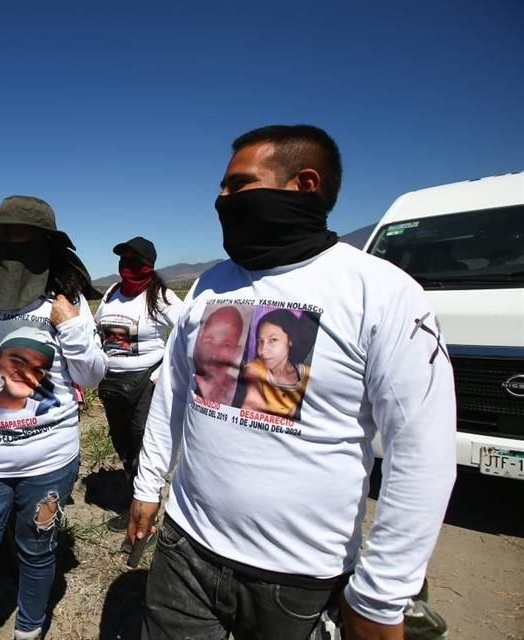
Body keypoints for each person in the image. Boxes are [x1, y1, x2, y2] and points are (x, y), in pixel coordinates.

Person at [128, 125, 456, 640]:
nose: (222, 199)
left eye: (238, 185)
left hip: (300, 576)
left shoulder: (382, 292)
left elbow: (423, 453)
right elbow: (174, 389)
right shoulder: (212, 282)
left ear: (304, 185)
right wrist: (149, 484)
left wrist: (380, 595)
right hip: (184, 549)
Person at [0, 195, 108, 640]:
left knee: (38, 548)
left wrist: (68, 324)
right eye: (1, 233)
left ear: (42, 241)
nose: (7, 241)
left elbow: (93, 373)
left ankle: (29, 629)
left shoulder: (65, 298)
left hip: (50, 457)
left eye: (19, 233)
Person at [93, 236, 182, 533]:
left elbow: (186, 331)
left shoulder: (160, 296)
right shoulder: (111, 293)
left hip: (146, 381)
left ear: (148, 264)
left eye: (134, 260)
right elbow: (96, 330)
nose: (127, 265)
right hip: (111, 382)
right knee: (122, 440)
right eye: (123, 258)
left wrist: (163, 371)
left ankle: (146, 508)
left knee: (143, 440)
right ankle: (135, 497)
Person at [240, 308, 313, 418]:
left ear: (290, 340)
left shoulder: (309, 375)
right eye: (260, 341)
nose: (262, 351)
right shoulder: (255, 369)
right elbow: (252, 404)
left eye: (273, 340)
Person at [192, 304, 246, 406]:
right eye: (209, 340)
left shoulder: (241, 395)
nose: (214, 353)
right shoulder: (188, 378)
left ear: (236, 352)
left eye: (226, 345)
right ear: (199, 341)